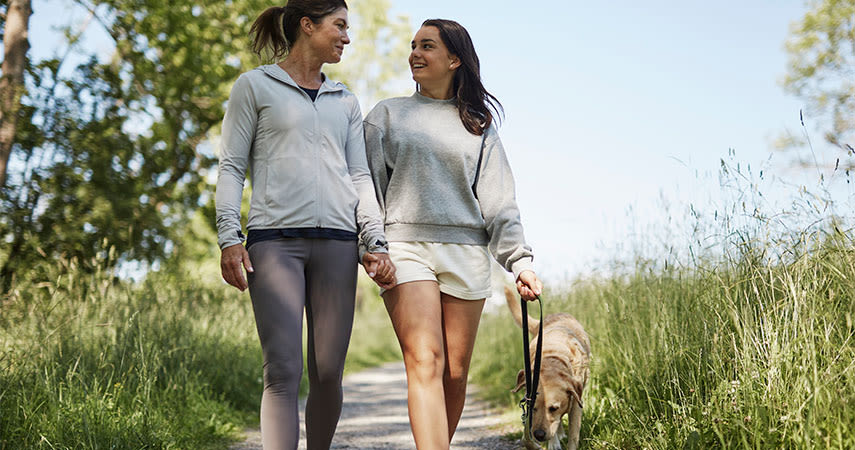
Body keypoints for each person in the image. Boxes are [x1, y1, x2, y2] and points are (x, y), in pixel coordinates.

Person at [215, 2, 395, 449]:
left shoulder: (345, 100)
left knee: (329, 370)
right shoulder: (254, 86)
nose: (347, 37)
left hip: (337, 243)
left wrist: (374, 238)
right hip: (274, 243)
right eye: (339, 26)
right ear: (307, 25)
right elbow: (232, 166)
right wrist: (228, 237)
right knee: (282, 369)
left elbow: (359, 176)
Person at [363, 18, 543, 449]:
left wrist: (520, 261)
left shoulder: (478, 126)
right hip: (404, 248)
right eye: (413, 45)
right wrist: (370, 246)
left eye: (427, 46)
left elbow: (499, 201)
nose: (415, 54)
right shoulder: (386, 116)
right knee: (425, 360)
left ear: (454, 58)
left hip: (466, 252)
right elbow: (365, 188)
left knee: (454, 373)